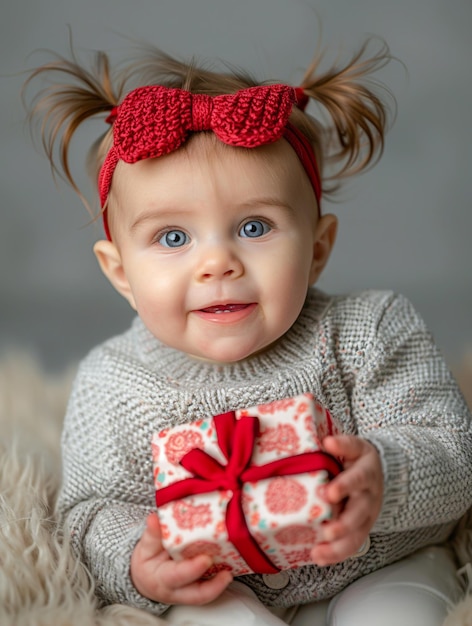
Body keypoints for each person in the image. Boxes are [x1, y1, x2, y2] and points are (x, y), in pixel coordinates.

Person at [24, 36, 472, 626]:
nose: (218, 263)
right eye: (174, 238)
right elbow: (89, 511)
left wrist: (382, 478)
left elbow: (453, 447)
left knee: (398, 613)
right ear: (120, 272)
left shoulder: (366, 329)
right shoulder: (116, 381)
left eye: (255, 226)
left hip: (379, 564)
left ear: (317, 250)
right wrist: (139, 559)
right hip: (222, 585)